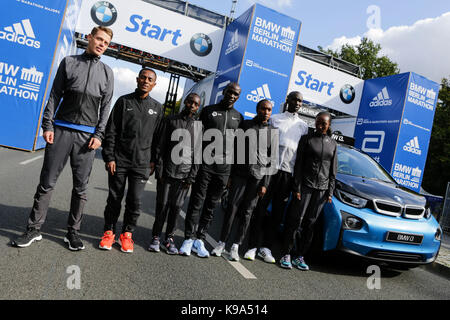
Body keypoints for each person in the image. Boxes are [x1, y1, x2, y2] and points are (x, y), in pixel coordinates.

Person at [13, 26, 114, 251]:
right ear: (89, 37)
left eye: (106, 43)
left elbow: (106, 108)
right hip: (60, 130)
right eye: (99, 39)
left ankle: (73, 233)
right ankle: (34, 229)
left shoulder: (108, 72)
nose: (101, 44)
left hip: (87, 138)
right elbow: (54, 94)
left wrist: (99, 135)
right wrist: (47, 124)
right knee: (47, 183)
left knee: (81, 189)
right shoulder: (69, 62)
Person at [98, 68, 162, 253]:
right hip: (119, 161)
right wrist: (109, 156)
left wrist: (154, 161)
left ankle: (127, 235)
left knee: (135, 201)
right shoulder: (123, 101)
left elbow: (159, 138)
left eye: (150, 79)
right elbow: (111, 131)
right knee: (114, 199)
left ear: (154, 84)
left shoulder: (157, 108)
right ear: (137, 79)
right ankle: (109, 233)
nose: (146, 80)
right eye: (143, 77)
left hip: (142, 164)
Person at [179, 82, 244, 257]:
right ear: (224, 92)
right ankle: (188, 238)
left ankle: (200, 239)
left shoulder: (239, 117)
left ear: (238, 97)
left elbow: (238, 147)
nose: (232, 95)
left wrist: (232, 173)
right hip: (205, 166)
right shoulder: (208, 110)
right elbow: (197, 139)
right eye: (229, 92)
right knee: (196, 202)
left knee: (210, 206)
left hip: (224, 169)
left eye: (236, 94)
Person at [244, 91, 308, 263]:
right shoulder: (275, 119)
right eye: (294, 99)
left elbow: (300, 155)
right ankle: (252, 246)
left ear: (302, 104)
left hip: (288, 174)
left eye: (300, 101)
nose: (297, 103)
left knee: (277, 214)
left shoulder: (303, 126)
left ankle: (266, 248)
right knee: (260, 208)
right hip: (269, 171)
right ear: (287, 101)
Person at [211, 99, 276, 261]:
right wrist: (230, 176)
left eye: (268, 110)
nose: (266, 112)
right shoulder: (245, 125)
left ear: (271, 112)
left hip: (257, 179)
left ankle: (236, 246)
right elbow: (234, 151)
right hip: (240, 175)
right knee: (232, 208)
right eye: (263, 109)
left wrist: (265, 185)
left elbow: (271, 160)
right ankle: (221, 243)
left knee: (247, 213)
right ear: (257, 109)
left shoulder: (273, 132)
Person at [279, 111, 337, 270]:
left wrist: (330, 192)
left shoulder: (333, 144)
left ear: (329, 125)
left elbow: (333, 171)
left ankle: (300, 256)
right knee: (295, 221)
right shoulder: (307, 139)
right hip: (304, 186)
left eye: (323, 123)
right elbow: (298, 164)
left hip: (321, 191)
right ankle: (286, 254)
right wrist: (296, 187)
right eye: (318, 122)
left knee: (310, 224)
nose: (320, 125)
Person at [148, 93, 202, 254]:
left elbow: (198, 154)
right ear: (185, 102)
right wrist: (160, 170)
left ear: (198, 107)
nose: (192, 105)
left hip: (185, 177)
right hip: (167, 172)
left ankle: (169, 238)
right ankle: (156, 237)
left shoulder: (199, 126)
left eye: (196, 104)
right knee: (162, 206)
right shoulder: (170, 120)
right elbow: (160, 147)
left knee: (176, 207)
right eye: (190, 102)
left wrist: (191, 177)